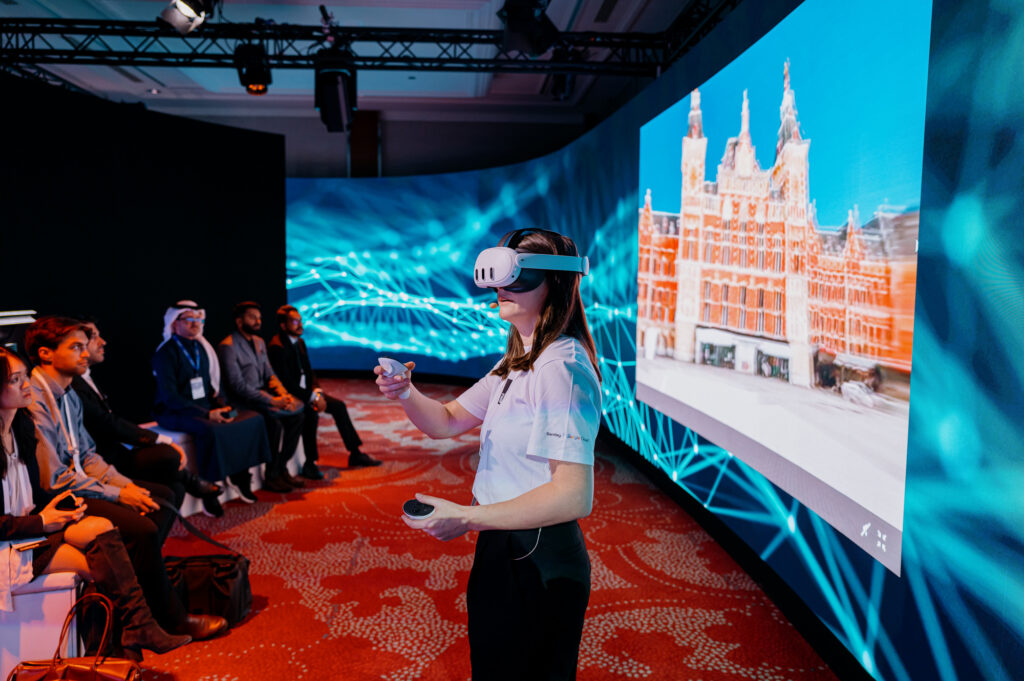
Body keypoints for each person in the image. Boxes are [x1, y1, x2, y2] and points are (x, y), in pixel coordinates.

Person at [375, 229, 601, 680]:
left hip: (542, 556)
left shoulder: (563, 368)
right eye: (499, 277)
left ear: (554, 283)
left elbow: (575, 495)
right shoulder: (518, 359)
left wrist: (467, 517)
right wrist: (405, 391)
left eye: (516, 278)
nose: (501, 289)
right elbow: (446, 419)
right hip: (504, 538)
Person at [24, 316, 227, 642]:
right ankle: (170, 618)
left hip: (78, 486)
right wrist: (117, 496)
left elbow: (88, 456)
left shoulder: (68, 393)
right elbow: (55, 480)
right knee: (143, 526)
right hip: (53, 501)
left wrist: (125, 486)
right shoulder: (35, 400)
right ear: (46, 354)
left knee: (160, 497)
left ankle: (140, 591)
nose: (85, 353)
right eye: (76, 347)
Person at [1, 347, 192, 659]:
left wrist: (54, 514)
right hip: (8, 544)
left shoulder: (20, 430)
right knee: (102, 567)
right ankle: (113, 652)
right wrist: (42, 521)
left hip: (27, 533)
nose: (26, 385)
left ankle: (130, 636)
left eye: (24, 376)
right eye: (15, 379)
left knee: (102, 528)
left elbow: (65, 471)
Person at [71, 318, 222, 514]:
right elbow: (108, 423)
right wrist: (160, 439)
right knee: (169, 455)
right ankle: (193, 482)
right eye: (93, 338)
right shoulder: (73, 386)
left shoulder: (200, 348)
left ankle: (190, 485)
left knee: (174, 486)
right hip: (101, 462)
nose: (103, 342)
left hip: (113, 453)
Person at [152, 302, 272, 509]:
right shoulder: (166, 353)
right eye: (189, 319)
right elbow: (170, 397)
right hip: (174, 411)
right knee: (211, 431)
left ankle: (240, 476)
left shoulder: (201, 347)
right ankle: (209, 487)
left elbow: (213, 385)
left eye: (198, 319)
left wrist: (222, 405)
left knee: (249, 418)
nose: (195, 324)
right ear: (174, 323)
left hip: (204, 407)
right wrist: (207, 414)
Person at [268, 304, 380, 479]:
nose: (300, 325)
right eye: (295, 321)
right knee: (311, 415)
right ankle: (310, 464)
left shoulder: (300, 342)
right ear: (283, 325)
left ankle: (355, 453)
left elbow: (309, 371)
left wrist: (317, 392)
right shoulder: (277, 347)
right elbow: (287, 383)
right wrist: (312, 398)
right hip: (293, 395)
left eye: (300, 321)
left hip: (308, 392)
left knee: (339, 406)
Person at [218, 302, 304, 494]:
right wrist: (271, 400)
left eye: (259, 317)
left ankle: (281, 468)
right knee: (274, 423)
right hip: (243, 401)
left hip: (262, 397)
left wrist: (284, 395)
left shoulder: (259, 342)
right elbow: (237, 386)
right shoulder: (228, 346)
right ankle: (271, 476)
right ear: (239, 321)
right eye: (252, 317)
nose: (258, 321)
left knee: (298, 416)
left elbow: (270, 374)